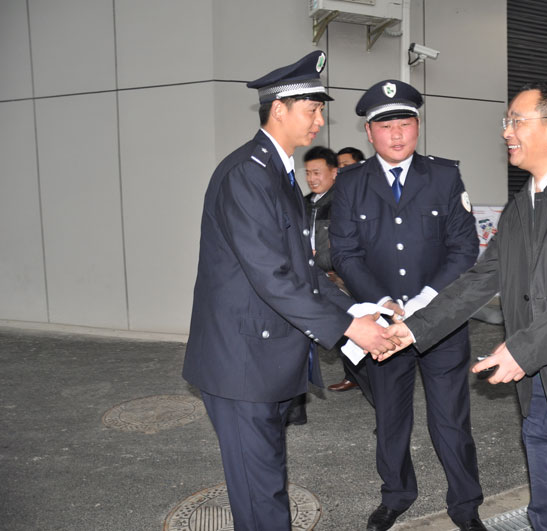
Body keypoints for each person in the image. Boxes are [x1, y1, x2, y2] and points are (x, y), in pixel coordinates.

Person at [383, 80, 547, 531]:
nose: (506, 131)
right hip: (539, 393)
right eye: (505, 122)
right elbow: (480, 280)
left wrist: (521, 350)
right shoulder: (519, 209)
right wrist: (413, 328)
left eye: (515, 121)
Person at [182, 51, 398, 531]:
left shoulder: (276, 173)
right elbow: (272, 276)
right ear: (278, 109)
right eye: (312, 109)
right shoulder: (247, 174)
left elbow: (304, 271)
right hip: (242, 367)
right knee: (260, 497)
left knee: (267, 484)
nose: (320, 120)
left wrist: (358, 312)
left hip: (264, 361)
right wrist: (349, 329)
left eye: (320, 110)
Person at [329, 80, 486, 531]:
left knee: (451, 420)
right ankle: (396, 495)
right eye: (386, 126)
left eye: (405, 123)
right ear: (368, 131)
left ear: (417, 126)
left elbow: (463, 248)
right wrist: (382, 301)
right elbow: (345, 253)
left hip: (440, 323)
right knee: (391, 419)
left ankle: (465, 506)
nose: (397, 134)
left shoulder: (444, 176)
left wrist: (421, 303)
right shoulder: (351, 183)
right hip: (382, 324)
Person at [304, 146, 370, 395]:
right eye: (308, 173)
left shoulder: (344, 202)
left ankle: (373, 388)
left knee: (351, 333)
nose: (312, 178)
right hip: (314, 278)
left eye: (317, 172)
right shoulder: (304, 203)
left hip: (339, 279)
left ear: (334, 173)